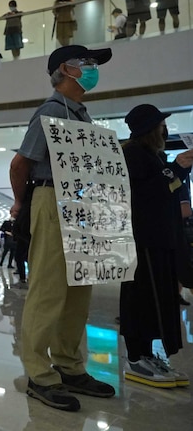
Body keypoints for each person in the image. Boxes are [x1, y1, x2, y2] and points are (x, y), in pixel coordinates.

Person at [9, 44, 116, 412]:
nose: (92, 69)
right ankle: (40, 373)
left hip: (81, 206)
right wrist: (23, 205)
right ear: (66, 70)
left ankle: (70, 365)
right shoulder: (51, 113)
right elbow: (21, 164)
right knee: (50, 287)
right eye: (87, 64)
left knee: (78, 288)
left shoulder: (80, 115)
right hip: (52, 200)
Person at [120, 104, 193, 388]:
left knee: (156, 299)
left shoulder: (154, 156)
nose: (165, 130)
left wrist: (177, 171)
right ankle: (137, 357)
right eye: (161, 125)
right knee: (141, 297)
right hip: (143, 241)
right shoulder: (133, 154)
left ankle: (147, 354)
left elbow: (166, 189)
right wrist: (176, 168)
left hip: (159, 239)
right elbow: (144, 194)